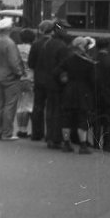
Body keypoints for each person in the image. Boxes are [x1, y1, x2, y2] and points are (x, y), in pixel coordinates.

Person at [55, 36, 96, 154]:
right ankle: (83, 145)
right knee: (82, 119)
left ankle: (66, 143)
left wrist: (64, 78)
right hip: (83, 93)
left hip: (68, 91)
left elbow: (56, 72)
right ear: (82, 47)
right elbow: (93, 81)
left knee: (66, 119)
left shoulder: (68, 60)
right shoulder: (89, 63)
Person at [42, 19, 71, 148]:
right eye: (64, 29)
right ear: (58, 29)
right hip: (58, 84)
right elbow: (64, 66)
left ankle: (49, 137)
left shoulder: (47, 43)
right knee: (58, 112)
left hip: (48, 82)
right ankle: (56, 139)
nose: (66, 31)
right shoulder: (62, 46)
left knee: (50, 110)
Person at [28, 20, 55, 140]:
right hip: (52, 80)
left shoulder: (36, 44)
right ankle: (50, 135)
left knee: (38, 106)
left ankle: (37, 133)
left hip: (39, 79)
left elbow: (31, 64)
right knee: (50, 108)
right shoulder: (56, 44)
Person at [0, 17, 24, 140]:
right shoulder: (10, 43)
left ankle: (0, 131)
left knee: (0, 104)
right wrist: (19, 72)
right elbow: (13, 62)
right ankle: (7, 133)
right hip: (10, 78)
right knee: (10, 105)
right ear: (9, 29)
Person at [94, 37, 110, 150]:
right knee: (107, 122)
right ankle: (106, 145)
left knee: (96, 121)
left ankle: (95, 145)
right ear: (108, 47)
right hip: (109, 96)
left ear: (96, 46)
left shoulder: (93, 60)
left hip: (96, 95)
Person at [15, 28, 36, 137]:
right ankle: (26, 130)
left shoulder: (16, 48)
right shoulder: (33, 48)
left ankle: (20, 129)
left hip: (18, 78)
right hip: (30, 78)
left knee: (20, 105)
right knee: (29, 105)